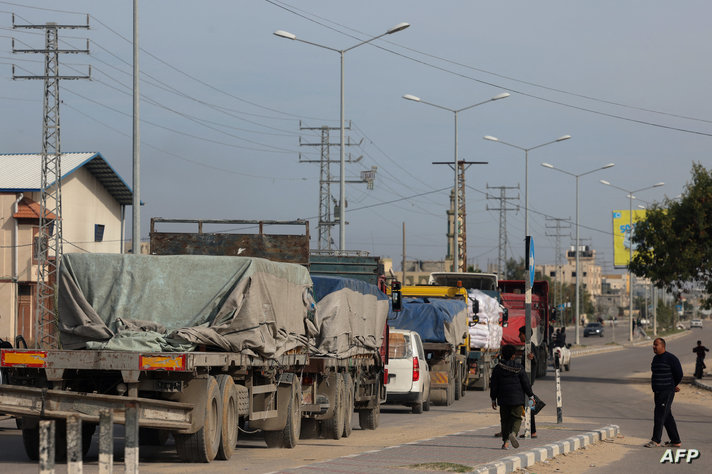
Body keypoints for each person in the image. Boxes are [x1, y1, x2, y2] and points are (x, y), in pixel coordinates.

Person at [490, 344, 534, 450]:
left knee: (504, 421)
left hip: (503, 399)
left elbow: (494, 385)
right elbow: (525, 383)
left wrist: (493, 399)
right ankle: (514, 433)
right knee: (517, 418)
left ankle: (505, 443)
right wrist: (531, 396)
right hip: (517, 399)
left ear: (502, 355)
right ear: (513, 356)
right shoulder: (519, 367)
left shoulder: (498, 368)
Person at [645, 338, 683, 448]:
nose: (653, 346)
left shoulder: (671, 358)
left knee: (659, 414)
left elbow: (679, 374)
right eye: (653, 344)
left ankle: (655, 440)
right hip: (657, 391)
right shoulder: (655, 359)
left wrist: (672, 385)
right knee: (666, 416)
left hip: (667, 391)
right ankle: (676, 441)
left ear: (663, 346)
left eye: (656, 345)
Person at [518, 325, 538, 438]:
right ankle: (531, 430)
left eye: (520, 334)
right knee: (529, 405)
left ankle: (531, 430)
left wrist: (532, 357)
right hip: (526, 381)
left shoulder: (531, 346)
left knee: (529, 405)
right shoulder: (527, 346)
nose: (518, 336)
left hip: (527, 382)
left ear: (525, 335)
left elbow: (535, 360)